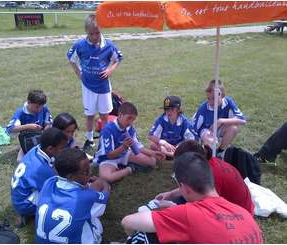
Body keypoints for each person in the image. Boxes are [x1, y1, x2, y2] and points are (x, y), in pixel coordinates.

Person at [121, 152, 263, 244]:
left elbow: (127, 222)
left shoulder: (189, 214)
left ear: (185, 188)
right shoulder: (244, 214)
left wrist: (165, 214)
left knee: (145, 236)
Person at [67, 14, 123, 151]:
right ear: (87, 32)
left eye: (97, 33)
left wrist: (110, 70)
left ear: (101, 30)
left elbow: (117, 59)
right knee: (90, 114)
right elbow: (71, 59)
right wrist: (79, 73)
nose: (94, 36)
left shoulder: (109, 45)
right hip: (88, 87)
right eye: (91, 34)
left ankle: (105, 137)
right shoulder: (80, 45)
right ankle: (90, 139)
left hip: (104, 87)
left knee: (105, 114)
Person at [155, 140, 254, 215]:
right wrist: (171, 194)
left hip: (238, 215)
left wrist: (175, 208)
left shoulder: (212, 177)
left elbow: (206, 211)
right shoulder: (206, 163)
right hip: (235, 206)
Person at [35, 148, 110, 244]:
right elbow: (105, 195)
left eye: (89, 168)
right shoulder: (85, 198)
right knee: (93, 214)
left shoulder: (49, 182)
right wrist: (103, 182)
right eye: (85, 172)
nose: (90, 173)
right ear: (70, 177)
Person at [94, 102, 165, 183]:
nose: (130, 122)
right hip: (108, 159)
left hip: (124, 154)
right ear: (120, 115)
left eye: (133, 119)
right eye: (129, 118)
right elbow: (109, 155)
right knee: (106, 178)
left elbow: (137, 146)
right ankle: (129, 169)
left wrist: (152, 153)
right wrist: (123, 147)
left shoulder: (129, 128)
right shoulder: (108, 129)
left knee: (152, 161)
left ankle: (123, 168)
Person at [11, 127, 67, 217]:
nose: (63, 150)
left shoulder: (36, 149)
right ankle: (28, 213)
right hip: (24, 204)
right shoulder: (42, 169)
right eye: (61, 148)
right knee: (61, 197)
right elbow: (57, 189)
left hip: (19, 196)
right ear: (50, 149)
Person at [192, 79, 246, 157]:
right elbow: (195, 128)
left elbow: (242, 120)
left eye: (214, 98)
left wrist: (221, 121)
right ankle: (207, 152)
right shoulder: (204, 108)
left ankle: (220, 152)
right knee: (211, 141)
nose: (210, 102)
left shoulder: (228, 102)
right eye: (208, 98)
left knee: (234, 128)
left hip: (220, 128)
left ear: (222, 95)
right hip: (206, 130)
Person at [6, 89, 53, 161]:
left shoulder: (44, 108)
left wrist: (46, 129)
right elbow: (10, 129)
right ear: (28, 102)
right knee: (21, 160)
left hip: (42, 137)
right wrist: (29, 126)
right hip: (28, 139)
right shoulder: (21, 112)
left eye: (41, 107)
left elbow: (49, 123)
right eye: (37, 107)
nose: (39, 109)